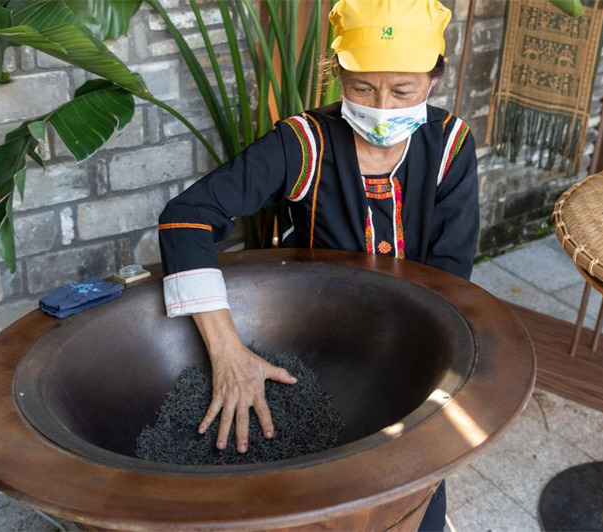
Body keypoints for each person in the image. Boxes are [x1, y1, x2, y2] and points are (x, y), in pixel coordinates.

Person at [158, 0, 478, 529]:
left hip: (411, 350)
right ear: (338, 75)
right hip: (315, 353)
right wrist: (228, 352)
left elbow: (450, 277)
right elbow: (186, 217)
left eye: (403, 91)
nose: (381, 108)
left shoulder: (450, 146)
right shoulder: (303, 144)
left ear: (434, 77)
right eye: (361, 88)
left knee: (413, 504)